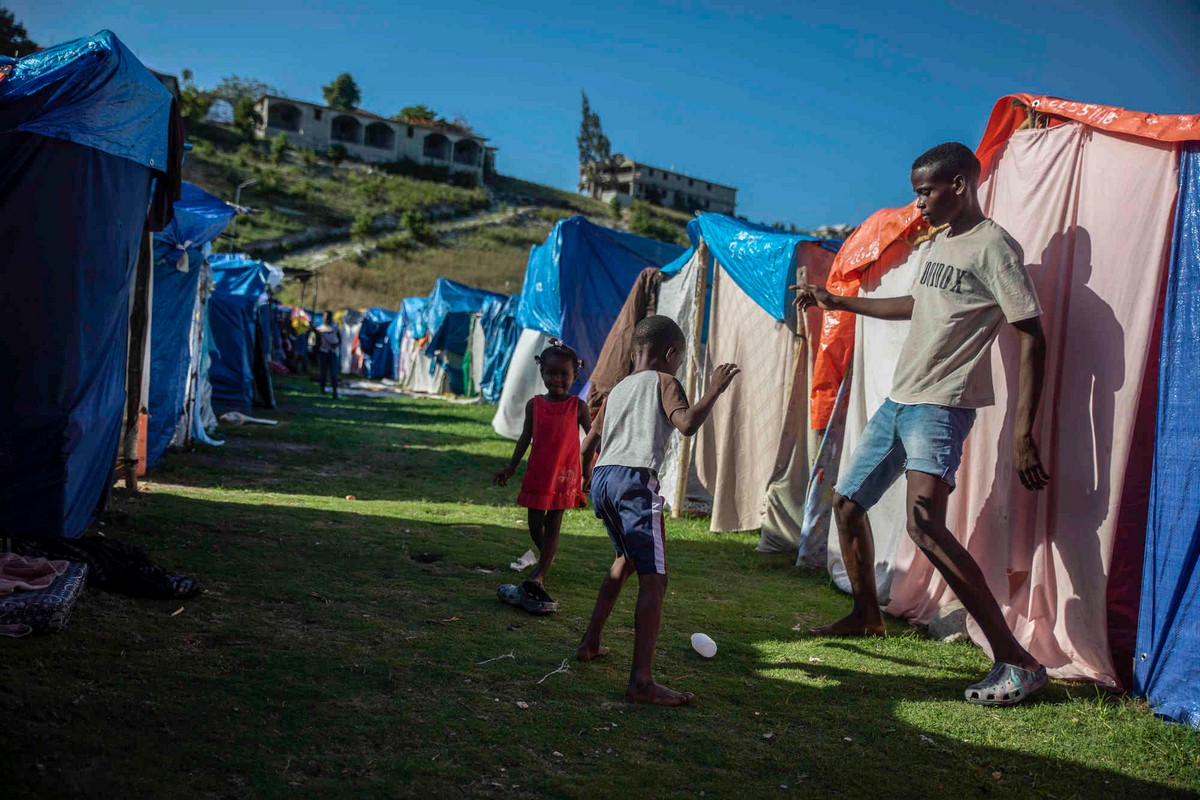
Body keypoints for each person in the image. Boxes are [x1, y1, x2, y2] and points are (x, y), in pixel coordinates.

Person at [795, 142, 1051, 706]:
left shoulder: (994, 248)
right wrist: (836, 299)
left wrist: (1022, 432)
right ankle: (867, 615)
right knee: (847, 503)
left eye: (926, 191)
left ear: (959, 185)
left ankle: (1018, 661)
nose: (919, 203)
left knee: (925, 527)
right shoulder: (941, 244)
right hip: (901, 399)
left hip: (942, 404)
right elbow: (917, 304)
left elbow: (1031, 334)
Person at [576, 315, 740, 706]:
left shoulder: (617, 390)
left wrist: (583, 482)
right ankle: (641, 682)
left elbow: (588, 445)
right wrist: (713, 391)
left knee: (624, 561)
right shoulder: (666, 382)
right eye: (680, 359)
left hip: (603, 480)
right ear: (670, 354)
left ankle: (590, 643)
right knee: (655, 581)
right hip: (634, 482)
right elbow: (684, 424)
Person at [493, 340, 591, 615]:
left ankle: (541, 572)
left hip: (564, 474)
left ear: (575, 376)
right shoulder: (534, 405)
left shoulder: (577, 406)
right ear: (542, 373)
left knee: (554, 521)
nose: (557, 379)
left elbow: (591, 437)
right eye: (551, 373)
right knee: (535, 524)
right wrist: (511, 467)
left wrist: (591, 469)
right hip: (539, 472)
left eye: (564, 375)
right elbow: (526, 437)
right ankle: (547, 553)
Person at [316, 311, 341, 400]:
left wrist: (335, 345)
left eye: (328, 318)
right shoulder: (320, 329)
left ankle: (335, 392)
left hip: (333, 353)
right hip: (323, 352)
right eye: (325, 318)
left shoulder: (335, 327)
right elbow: (317, 342)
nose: (327, 319)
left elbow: (340, 339)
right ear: (323, 318)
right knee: (323, 373)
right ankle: (322, 390)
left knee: (333, 373)